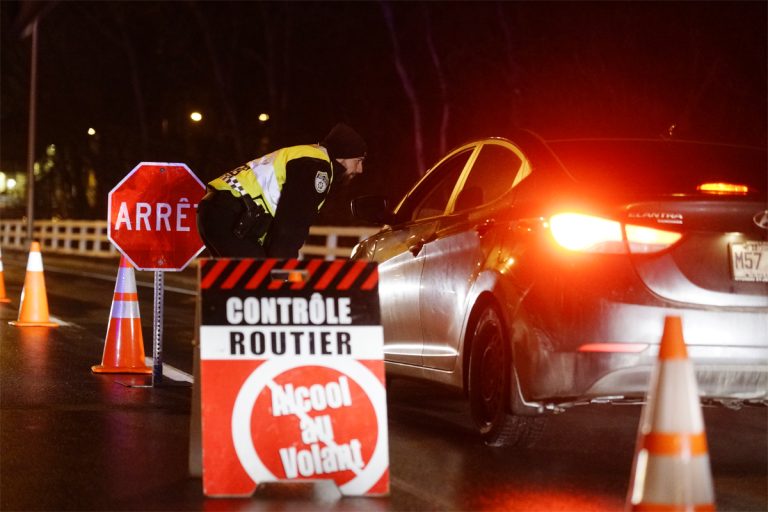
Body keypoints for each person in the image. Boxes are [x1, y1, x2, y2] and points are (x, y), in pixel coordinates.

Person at [197, 123, 366, 258]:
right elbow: (291, 225)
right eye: (358, 160)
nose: (360, 170)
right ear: (344, 154)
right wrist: (283, 274)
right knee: (263, 288)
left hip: (220, 213)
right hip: (232, 218)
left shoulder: (306, 155)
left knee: (240, 292)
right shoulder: (316, 167)